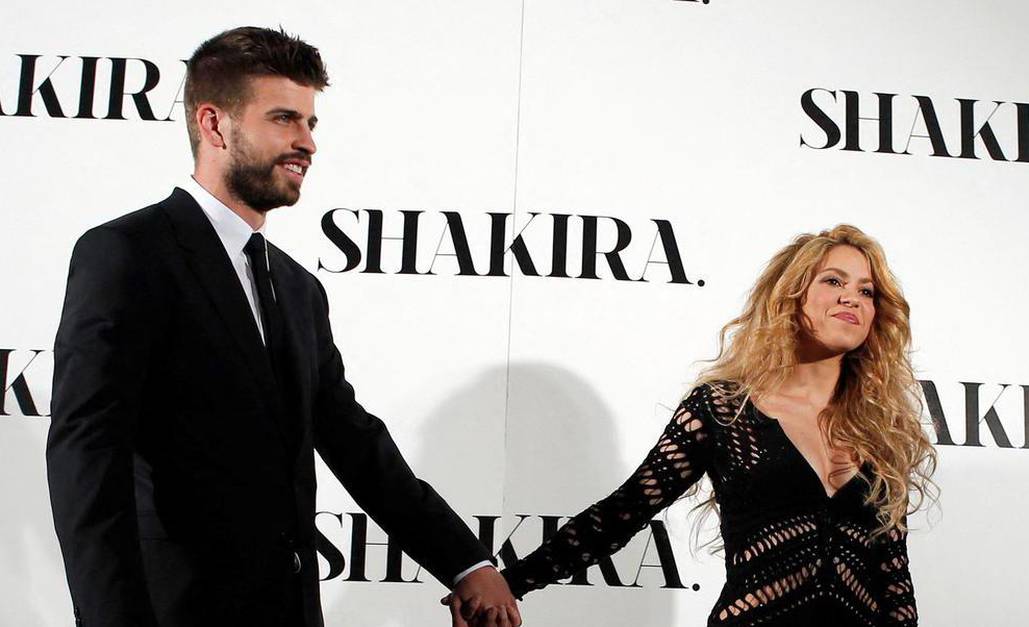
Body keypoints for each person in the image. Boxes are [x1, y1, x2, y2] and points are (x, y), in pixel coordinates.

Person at [46, 26, 519, 627]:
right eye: (283, 119)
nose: (307, 143)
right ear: (214, 124)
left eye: (311, 123)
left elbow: (351, 438)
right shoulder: (129, 252)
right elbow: (88, 453)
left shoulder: (298, 288)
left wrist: (466, 564)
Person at [451, 225, 936, 626]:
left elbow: (895, 581)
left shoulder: (881, 432)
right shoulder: (726, 408)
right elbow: (626, 510)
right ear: (791, 296)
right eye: (834, 281)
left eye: (866, 290)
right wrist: (507, 583)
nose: (852, 298)